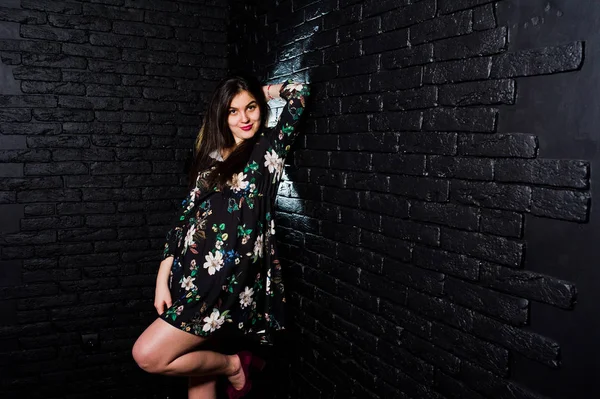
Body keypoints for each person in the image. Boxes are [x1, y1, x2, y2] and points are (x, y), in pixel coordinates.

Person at [132, 74, 310, 399]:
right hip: (188, 275)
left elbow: (299, 92)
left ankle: (233, 365)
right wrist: (162, 277)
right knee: (199, 382)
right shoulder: (213, 156)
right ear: (222, 115)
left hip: (223, 280)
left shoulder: (269, 147)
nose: (244, 118)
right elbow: (184, 217)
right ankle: (227, 365)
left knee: (148, 354)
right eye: (233, 111)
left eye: (251, 107)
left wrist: (263, 91)